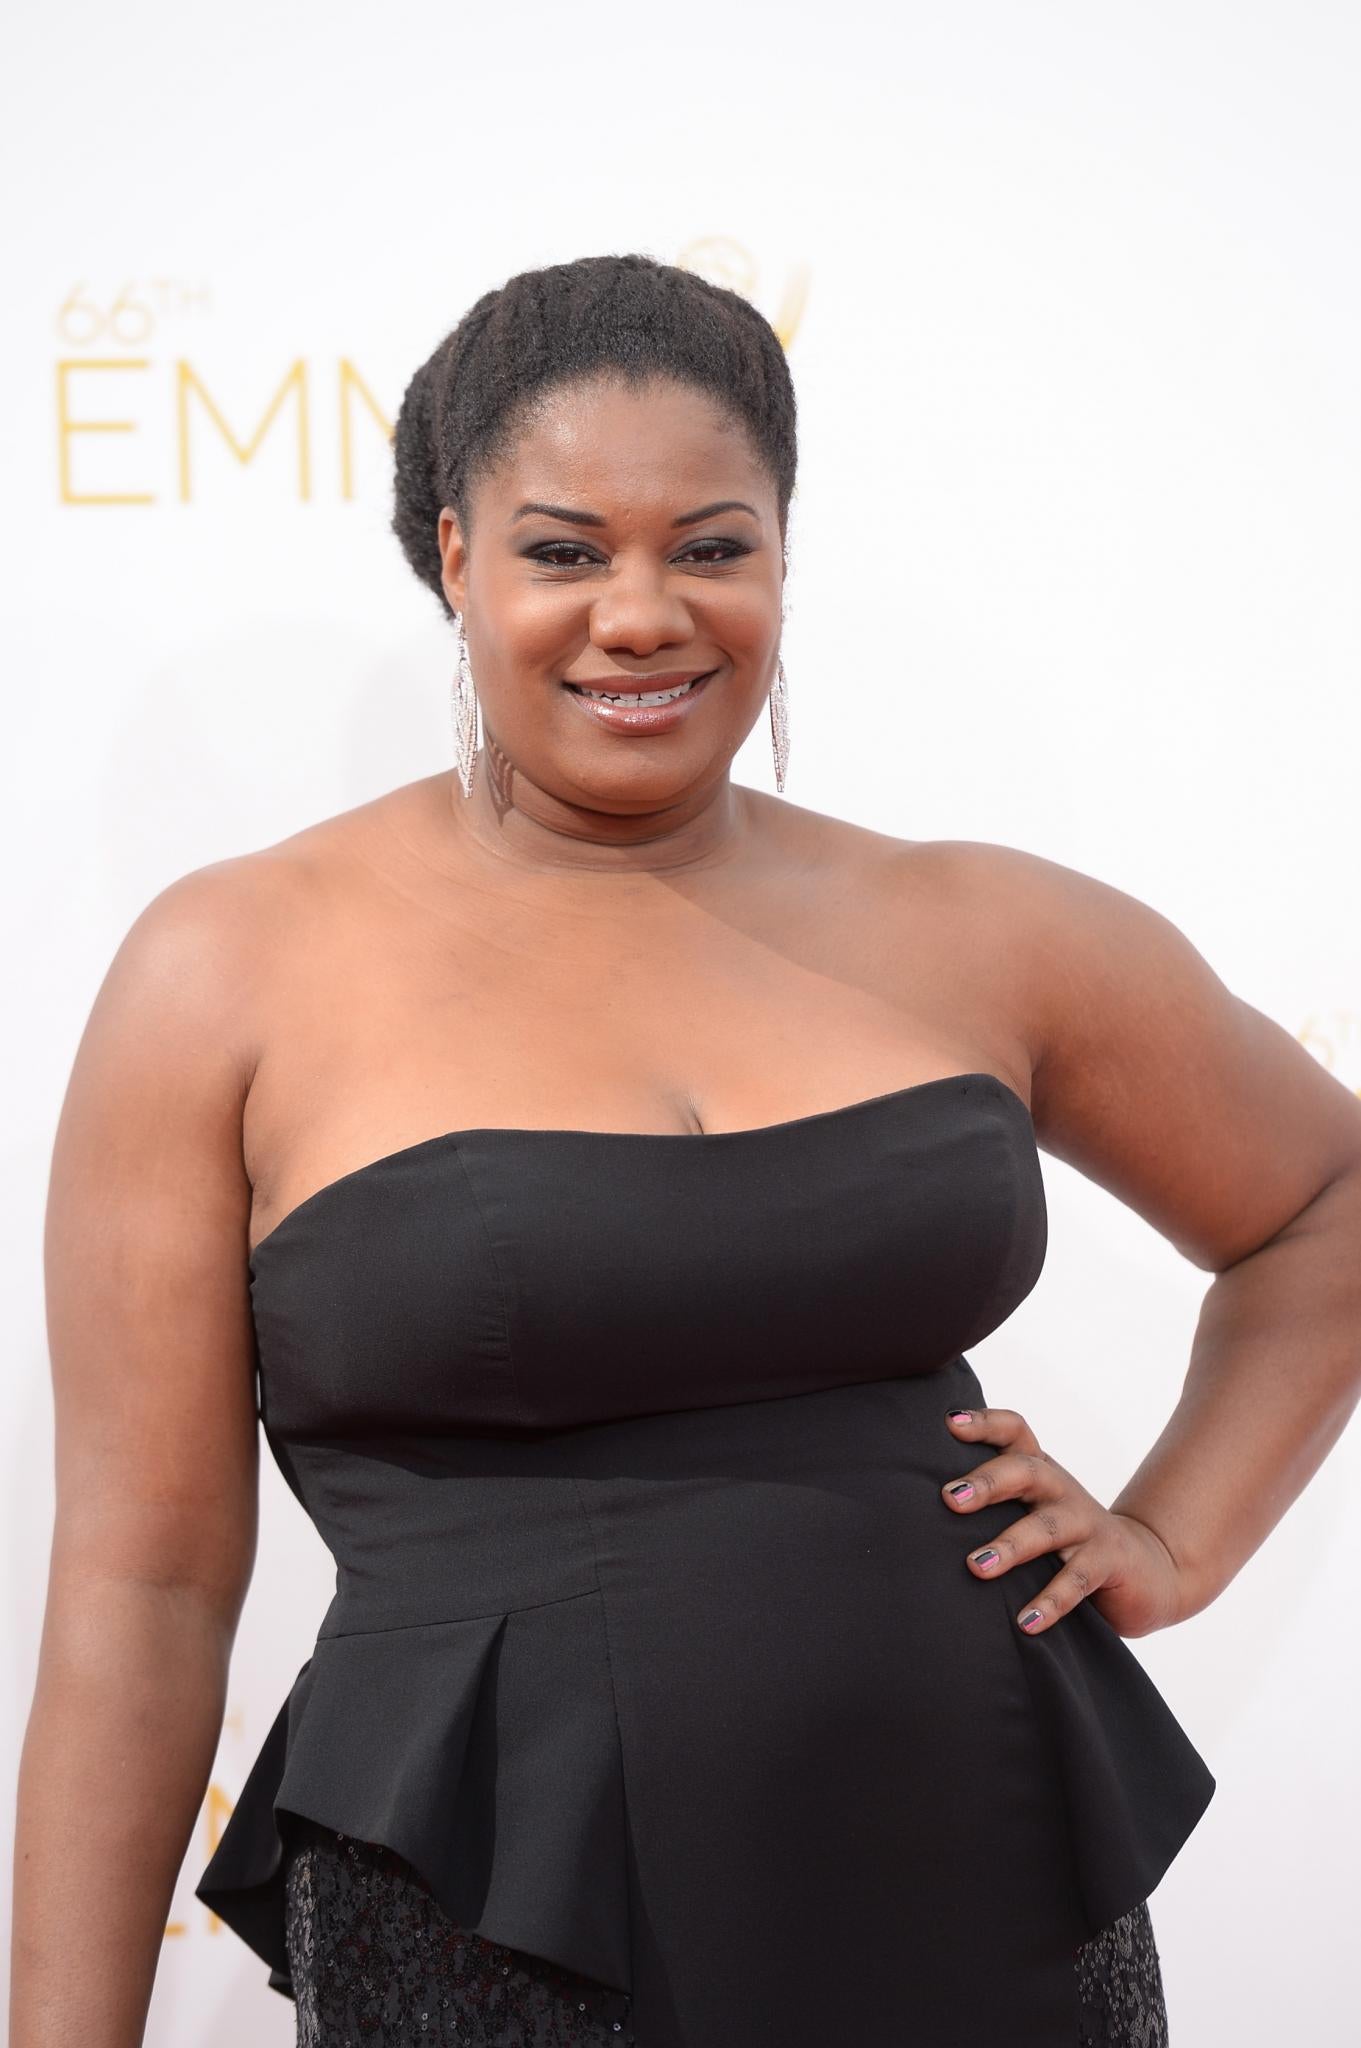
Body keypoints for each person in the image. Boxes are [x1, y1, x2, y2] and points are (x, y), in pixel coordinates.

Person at [13, 252, 1361, 2048]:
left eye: (710, 546)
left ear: (782, 558)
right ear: (454, 560)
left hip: (985, 1879)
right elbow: (146, 1588)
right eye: (565, 551)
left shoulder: (981, 927)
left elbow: (1326, 1203)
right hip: (492, 1936)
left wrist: (1172, 1539)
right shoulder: (229, 967)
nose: (640, 614)